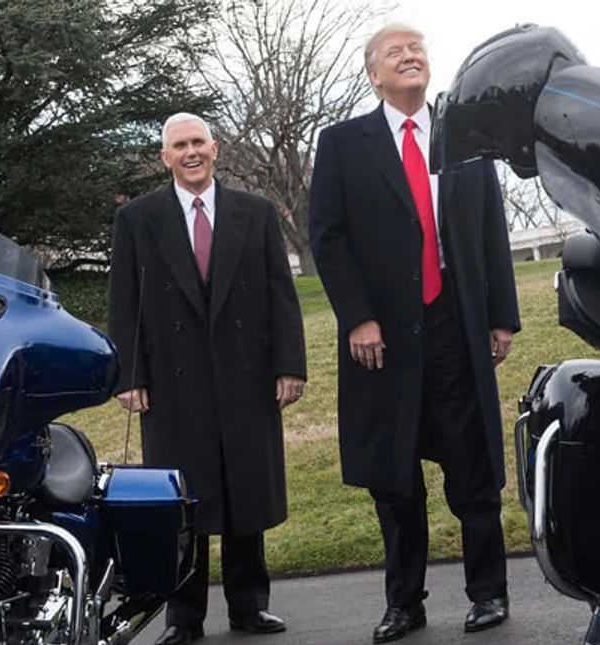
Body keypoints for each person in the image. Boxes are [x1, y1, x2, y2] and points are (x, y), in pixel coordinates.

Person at [308, 23, 520, 644]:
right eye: (395, 52)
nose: (410, 57)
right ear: (373, 74)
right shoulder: (343, 144)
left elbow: (491, 227)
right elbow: (328, 238)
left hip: (455, 323)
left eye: (417, 49)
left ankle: (489, 592)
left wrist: (501, 316)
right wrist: (358, 317)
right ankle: (404, 603)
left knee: (472, 467)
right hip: (382, 337)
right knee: (394, 478)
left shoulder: (463, 137)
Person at [107, 113, 307, 645]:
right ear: (165, 157)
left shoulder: (256, 213)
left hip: (247, 372)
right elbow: (124, 301)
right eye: (180, 146)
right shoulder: (137, 219)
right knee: (180, 500)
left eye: (198, 142)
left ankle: (250, 605)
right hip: (171, 381)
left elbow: (281, 295)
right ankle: (183, 617)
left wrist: (289, 365)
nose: (190, 152)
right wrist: (129, 375)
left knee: (245, 490)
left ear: (215, 149)